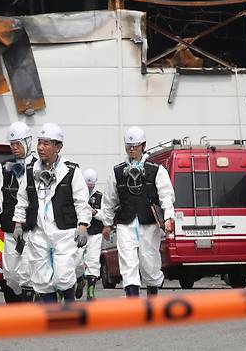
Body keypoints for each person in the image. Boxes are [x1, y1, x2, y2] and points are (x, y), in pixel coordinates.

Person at [12, 123, 92, 302]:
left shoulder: (71, 171)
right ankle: (53, 317)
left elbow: (81, 201)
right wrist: (18, 224)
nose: (40, 147)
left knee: (63, 277)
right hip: (38, 233)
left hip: (63, 233)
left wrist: (83, 226)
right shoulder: (30, 170)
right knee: (41, 279)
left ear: (58, 146)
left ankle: (70, 306)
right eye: (39, 143)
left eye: (46, 143)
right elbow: (22, 200)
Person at [101, 126, 175, 298]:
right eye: (128, 146)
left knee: (149, 261)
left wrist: (169, 218)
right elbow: (109, 199)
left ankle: (153, 289)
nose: (131, 149)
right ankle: (132, 299)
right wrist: (107, 223)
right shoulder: (117, 172)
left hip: (148, 223)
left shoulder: (156, 170)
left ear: (143, 145)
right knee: (128, 261)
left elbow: (166, 195)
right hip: (126, 223)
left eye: (135, 145)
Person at [0, 122, 36, 303]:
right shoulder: (4, 168)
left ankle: (28, 307)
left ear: (27, 142)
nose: (14, 148)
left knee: (28, 269)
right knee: (10, 272)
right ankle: (17, 295)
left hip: (31, 228)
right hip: (9, 227)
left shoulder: (38, 167)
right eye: (12, 144)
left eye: (18, 144)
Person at [74, 168, 104, 301]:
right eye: (87, 185)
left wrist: (95, 212)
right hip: (79, 233)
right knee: (76, 262)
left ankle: (91, 293)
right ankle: (80, 280)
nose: (89, 188)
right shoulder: (76, 195)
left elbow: (106, 215)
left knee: (93, 261)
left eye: (91, 186)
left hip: (95, 234)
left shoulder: (100, 197)